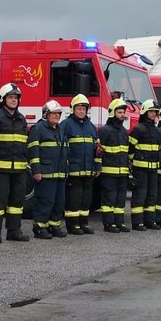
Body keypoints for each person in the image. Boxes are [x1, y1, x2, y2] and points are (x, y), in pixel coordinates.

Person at [0, 83, 31, 243]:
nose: (13, 100)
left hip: (18, 170)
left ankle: (14, 230)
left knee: (17, 202)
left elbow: (23, 143)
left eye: (16, 98)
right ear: (3, 99)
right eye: (10, 97)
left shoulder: (21, 119)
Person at [28, 100, 69, 239]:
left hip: (60, 173)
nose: (57, 116)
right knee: (45, 201)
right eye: (54, 113)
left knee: (59, 202)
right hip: (45, 173)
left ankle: (54, 225)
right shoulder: (38, 129)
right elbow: (33, 152)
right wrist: (36, 170)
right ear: (46, 114)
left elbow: (65, 151)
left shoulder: (61, 129)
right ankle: (39, 227)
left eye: (58, 113)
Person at [59, 94, 99, 235]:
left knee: (86, 199)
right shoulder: (66, 125)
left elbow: (96, 149)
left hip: (88, 171)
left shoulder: (91, 127)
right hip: (73, 170)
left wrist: (97, 166)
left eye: (84, 108)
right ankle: (72, 225)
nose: (82, 111)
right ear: (73, 109)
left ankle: (83, 223)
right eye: (79, 108)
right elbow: (62, 149)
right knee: (73, 199)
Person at [98, 99, 131, 233]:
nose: (122, 115)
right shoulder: (105, 130)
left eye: (123, 112)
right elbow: (99, 152)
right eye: (119, 112)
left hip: (122, 173)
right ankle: (109, 224)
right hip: (108, 172)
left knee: (120, 199)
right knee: (109, 199)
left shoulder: (123, 131)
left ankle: (119, 222)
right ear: (112, 113)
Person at [129, 99, 161, 231]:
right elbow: (130, 149)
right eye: (151, 111)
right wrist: (134, 162)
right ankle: (137, 223)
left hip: (153, 168)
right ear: (144, 112)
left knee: (152, 195)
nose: (154, 114)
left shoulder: (155, 129)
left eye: (155, 112)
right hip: (140, 169)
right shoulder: (138, 129)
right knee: (140, 196)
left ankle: (150, 221)